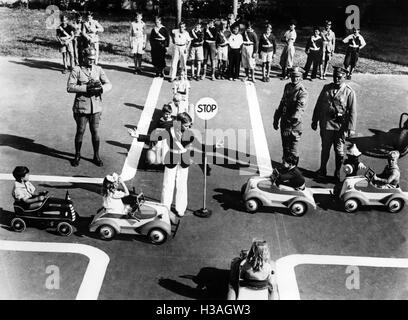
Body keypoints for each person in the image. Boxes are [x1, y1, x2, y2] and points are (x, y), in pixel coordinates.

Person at [129, 112, 195, 219]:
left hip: (184, 161)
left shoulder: (190, 134)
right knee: (168, 185)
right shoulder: (169, 131)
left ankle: (181, 209)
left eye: (189, 125)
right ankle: (165, 208)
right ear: (179, 123)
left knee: (182, 185)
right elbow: (154, 137)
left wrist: (214, 147)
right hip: (171, 159)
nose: (189, 128)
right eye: (186, 125)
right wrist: (137, 136)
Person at [67, 47, 112, 167]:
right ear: (84, 57)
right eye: (89, 59)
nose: (92, 61)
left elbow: (109, 84)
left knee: (95, 132)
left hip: (96, 107)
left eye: (93, 58)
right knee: (80, 131)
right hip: (82, 107)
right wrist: (86, 88)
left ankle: (96, 155)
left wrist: (101, 89)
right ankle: (77, 155)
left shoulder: (98, 69)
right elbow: (70, 87)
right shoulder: (77, 70)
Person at [311, 66, 357, 182]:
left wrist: (351, 128)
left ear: (344, 77)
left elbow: (352, 111)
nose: (336, 78)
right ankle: (322, 170)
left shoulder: (349, 92)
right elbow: (319, 105)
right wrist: (315, 120)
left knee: (339, 150)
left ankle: (337, 172)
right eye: (335, 76)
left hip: (340, 127)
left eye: (339, 77)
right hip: (326, 125)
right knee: (325, 149)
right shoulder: (326, 88)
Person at [273, 67, 308, 161]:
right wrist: (276, 118)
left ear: (301, 77)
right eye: (292, 76)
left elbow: (298, 111)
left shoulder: (302, 92)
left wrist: (289, 126)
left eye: (297, 76)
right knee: (285, 146)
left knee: (293, 149)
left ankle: (293, 170)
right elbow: (282, 102)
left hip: (294, 125)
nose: (294, 78)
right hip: (285, 121)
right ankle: (285, 165)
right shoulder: (287, 86)